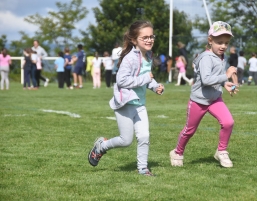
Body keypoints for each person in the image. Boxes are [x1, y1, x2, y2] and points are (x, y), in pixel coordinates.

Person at [88, 20, 164, 176]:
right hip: (125, 104)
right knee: (126, 140)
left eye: (151, 36)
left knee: (144, 136)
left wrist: (155, 86)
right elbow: (122, 81)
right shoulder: (129, 58)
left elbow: (146, 77)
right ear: (134, 40)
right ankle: (101, 146)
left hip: (140, 104)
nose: (150, 40)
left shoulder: (148, 56)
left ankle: (143, 169)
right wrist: (147, 79)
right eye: (145, 37)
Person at [169, 21, 238, 168]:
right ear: (210, 40)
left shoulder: (220, 57)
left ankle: (221, 151)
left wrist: (224, 84)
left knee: (228, 122)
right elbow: (206, 80)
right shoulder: (206, 58)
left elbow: (216, 76)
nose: (223, 46)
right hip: (199, 101)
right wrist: (226, 76)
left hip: (214, 99)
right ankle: (177, 152)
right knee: (190, 130)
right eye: (219, 42)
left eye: (226, 43)